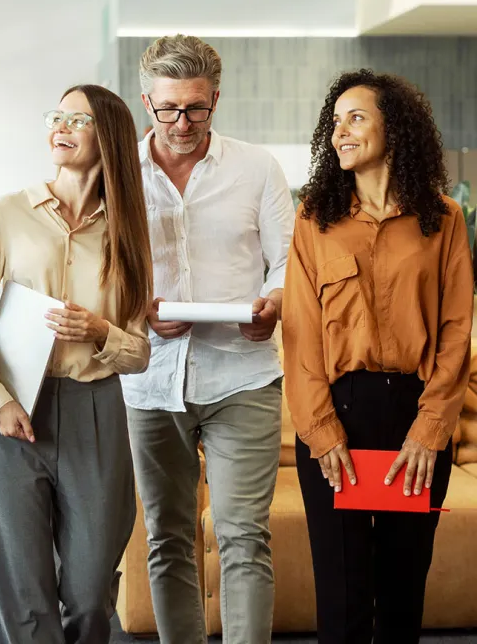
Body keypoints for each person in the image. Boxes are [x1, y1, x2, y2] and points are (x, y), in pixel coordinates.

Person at [0, 84, 152, 644]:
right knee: (23, 593)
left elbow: (140, 351)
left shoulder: (128, 232)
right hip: (14, 412)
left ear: (109, 137)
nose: (60, 127)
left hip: (96, 412)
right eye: (56, 117)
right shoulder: (9, 213)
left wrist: (100, 331)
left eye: (78, 120)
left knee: (90, 592)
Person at [282, 69, 474, 644]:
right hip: (338, 414)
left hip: (416, 417)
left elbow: (455, 332)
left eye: (356, 118)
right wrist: (322, 433)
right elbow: (301, 337)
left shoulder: (443, 219)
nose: (340, 131)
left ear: (396, 128)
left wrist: (430, 431)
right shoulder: (315, 220)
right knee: (342, 600)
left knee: (401, 594)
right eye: (335, 121)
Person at [122, 35, 295, 644]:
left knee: (243, 536)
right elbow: (99, 266)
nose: (181, 123)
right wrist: (138, 311)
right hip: (149, 379)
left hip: (242, 374)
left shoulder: (257, 167)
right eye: (168, 108)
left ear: (215, 100)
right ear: (147, 101)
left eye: (196, 108)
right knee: (168, 537)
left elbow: (288, 261)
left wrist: (274, 302)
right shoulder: (118, 173)